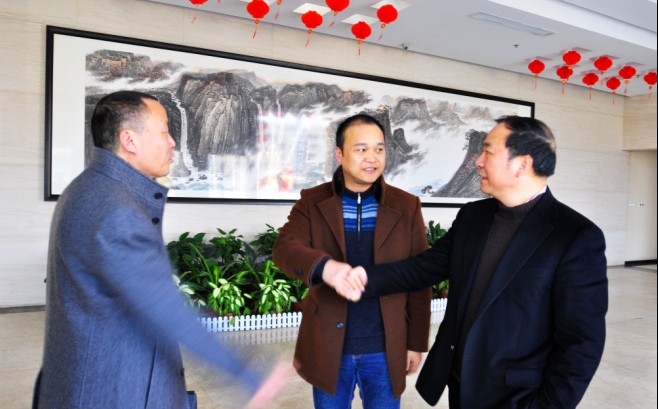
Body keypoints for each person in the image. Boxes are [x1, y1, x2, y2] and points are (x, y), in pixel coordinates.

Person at [33, 90, 289, 409]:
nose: (172, 143)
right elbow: (164, 306)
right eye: (165, 131)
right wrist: (248, 372)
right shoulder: (116, 211)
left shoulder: (87, 188)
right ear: (130, 140)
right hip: (114, 392)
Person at [347, 116, 608, 408]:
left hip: (517, 396)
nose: (478, 162)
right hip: (461, 384)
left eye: (488, 152)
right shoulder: (473, 216)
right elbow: (424, 268)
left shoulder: (575, 236)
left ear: (522, 164)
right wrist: (357, 278)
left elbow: (581, 344)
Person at [272, 114, 432, 408]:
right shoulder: (312, 201)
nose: (372, 158)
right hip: (330, 346)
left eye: (379, 149)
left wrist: (415, 343)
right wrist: (325, 267)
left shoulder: (407, 206)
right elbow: (284, 248)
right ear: (339, 154)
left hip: (385, 347)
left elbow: (420, 276)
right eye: (361, 149)